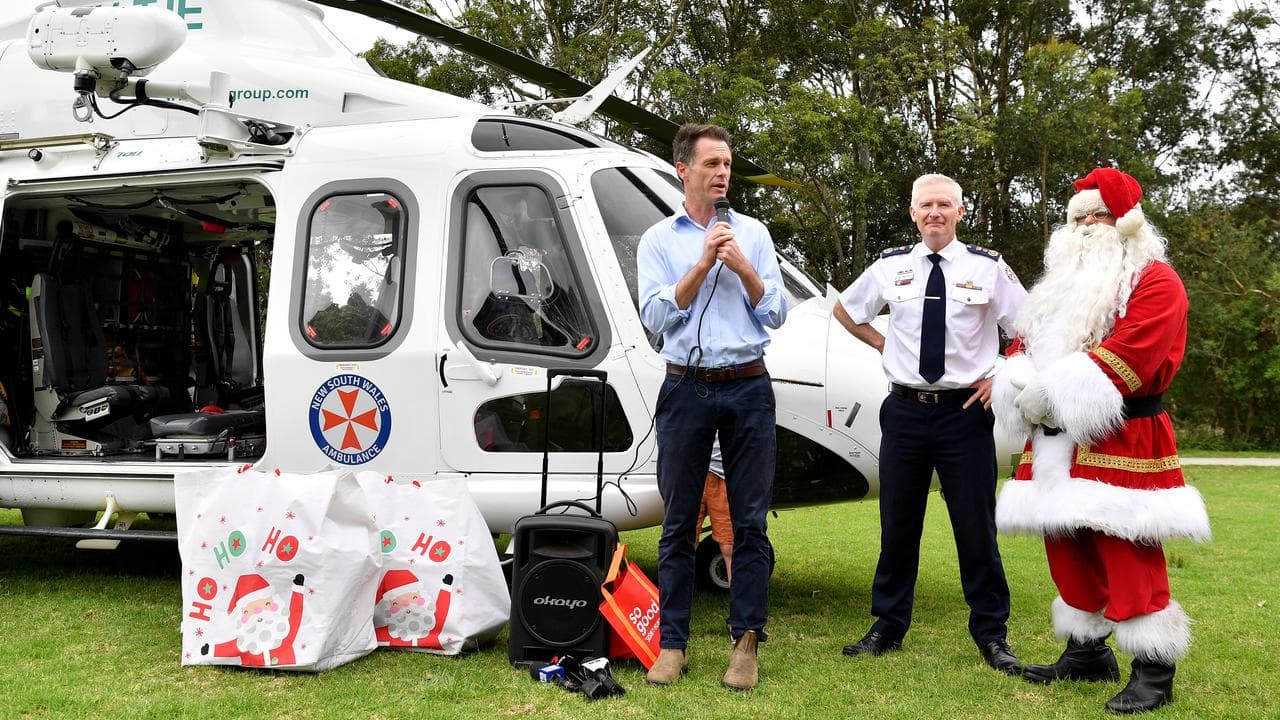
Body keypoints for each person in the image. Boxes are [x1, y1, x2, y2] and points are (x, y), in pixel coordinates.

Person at [992, 168, 1210, 714]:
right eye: (1078, 217)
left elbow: (1135, 355)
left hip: (1123, 432)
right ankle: (1086, 653)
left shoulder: (1156, 280)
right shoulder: (1056, 289)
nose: (1087, 225)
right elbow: (1021, 345)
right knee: (1066, 546)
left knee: (1126, 545)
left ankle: (1154, 668)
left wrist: (1052, 393)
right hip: (1052, 440)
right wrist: (1020, 381)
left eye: (1100, 215)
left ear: (1128, 222)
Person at [834, 173, 1026, 675]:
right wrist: (885, 345)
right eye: (926, 205)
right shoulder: (890, 265)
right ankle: (888, 625)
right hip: (904, 412)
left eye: (944, 204)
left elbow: (1029, 327)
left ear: (960, 212)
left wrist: (1003, 374)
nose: (935, 212)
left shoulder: (987, 267)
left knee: (975, 528)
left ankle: (992, 634)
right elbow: (846, 310)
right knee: (898, 524)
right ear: (913, 213)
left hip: (965, 413)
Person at [637, 123, 787, 691]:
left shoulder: (753, 233)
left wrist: (742, 265)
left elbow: (776, 313)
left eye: (727, 164)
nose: (723, 173)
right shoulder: (658, 240)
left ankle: (745, 643)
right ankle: (672, 644)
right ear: (684, 170)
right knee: (678, 521)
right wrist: (701, 264)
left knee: (749, 521)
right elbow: (655, 318)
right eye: (711, 164)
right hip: (686, 386)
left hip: (748, 385)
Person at [697, 436, 734, 584]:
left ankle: (737, 594)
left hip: (723, 475)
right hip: (692, 474)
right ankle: (678, 595)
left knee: (729, 544)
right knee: (684, 540)